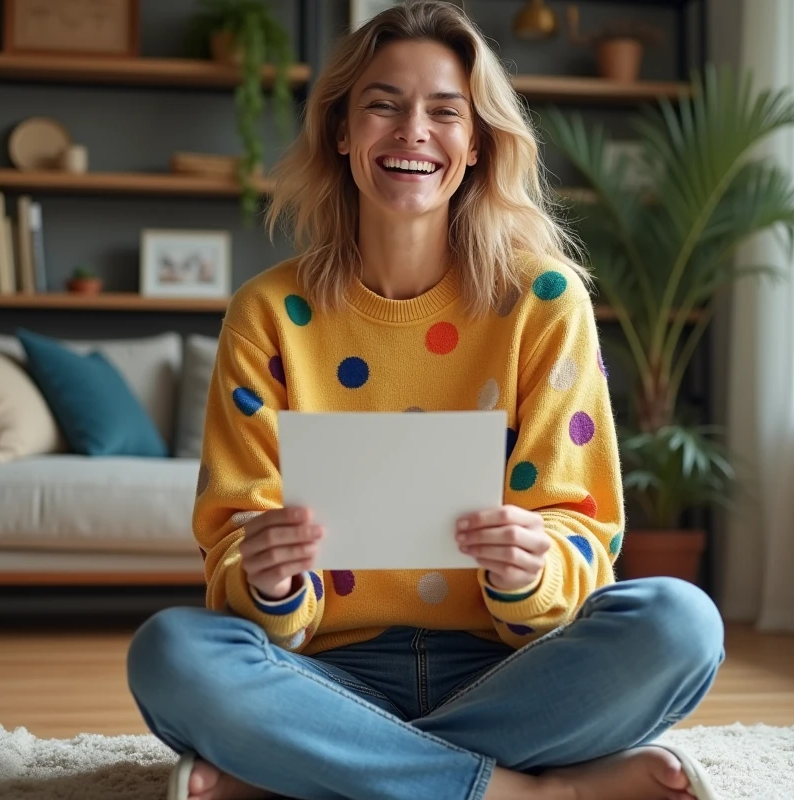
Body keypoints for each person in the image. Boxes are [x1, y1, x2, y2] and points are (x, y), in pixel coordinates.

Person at [127, 2, 725, 798]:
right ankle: (533, 790)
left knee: (682, 625)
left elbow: (583, 535)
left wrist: (529, 567)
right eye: (383, 104)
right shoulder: (267, 313)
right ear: (342, 130)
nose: (414, 130)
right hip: (326, 670)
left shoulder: (544, 303)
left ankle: (305, 771)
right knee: (169, 653)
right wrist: (270, 580)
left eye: (446, 112)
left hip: (513, 669)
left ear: (476, 144)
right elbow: (233, 547)